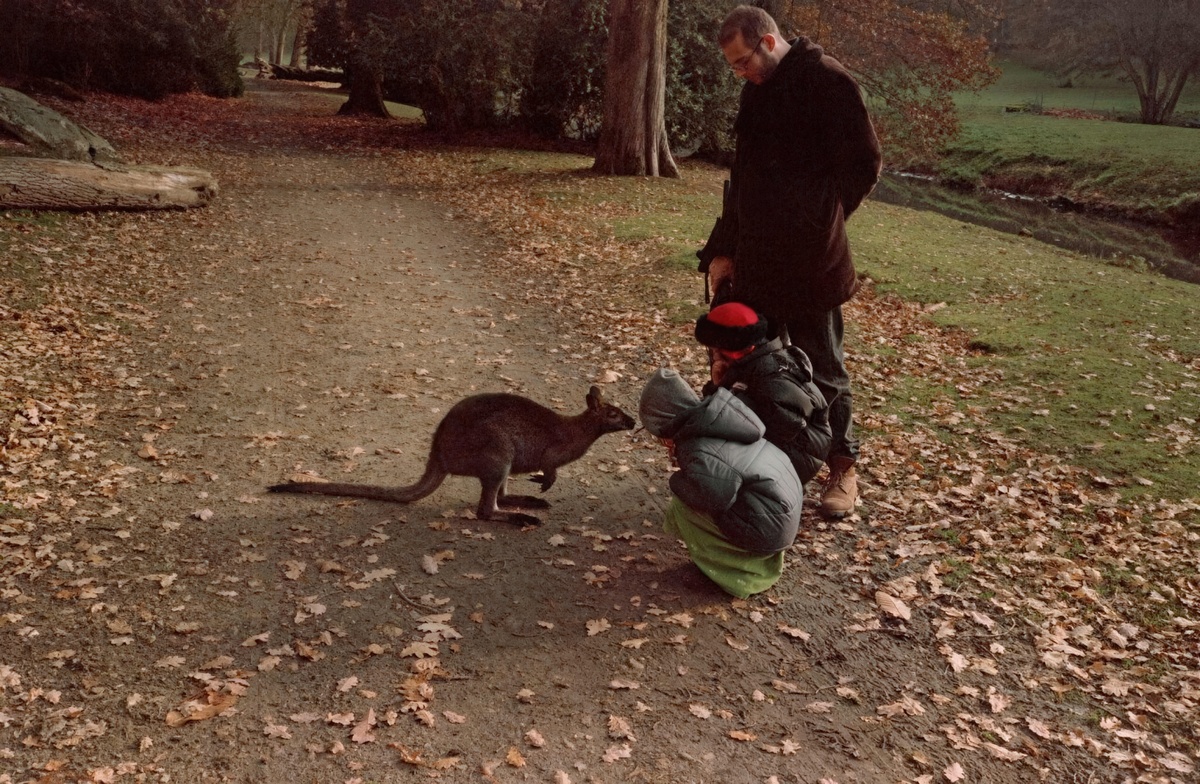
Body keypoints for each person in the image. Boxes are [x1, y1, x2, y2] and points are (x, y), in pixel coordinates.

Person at [696, 5, 882, 519]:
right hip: (758, 260)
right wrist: (722, 249)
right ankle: (768, 462)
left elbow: (864, 163)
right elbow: (744, 179)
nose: (740, 72)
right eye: (733, 66)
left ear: (769, 42)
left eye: (742, 61)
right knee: (755, 363)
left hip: (811, 263)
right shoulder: (755, 89)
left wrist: (822, 217)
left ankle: (844, 466)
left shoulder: (828, 80)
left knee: (823, 366)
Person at [639, 367, 803, 598]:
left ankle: (728, 575)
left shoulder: (697, 446)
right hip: (780, 520)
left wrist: (678, 479)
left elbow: (712, 498)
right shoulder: (722, 422)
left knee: (683, 507)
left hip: (769, 530)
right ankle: (754, 567)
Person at [695, 302, 831, 485]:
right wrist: (718, 384)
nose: (713, 354)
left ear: (736, 348)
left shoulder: (772, 379)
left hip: (797, 456)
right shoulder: (748, 363)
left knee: (705, 450)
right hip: (778, 446)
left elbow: (779, 430)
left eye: (716, 349)